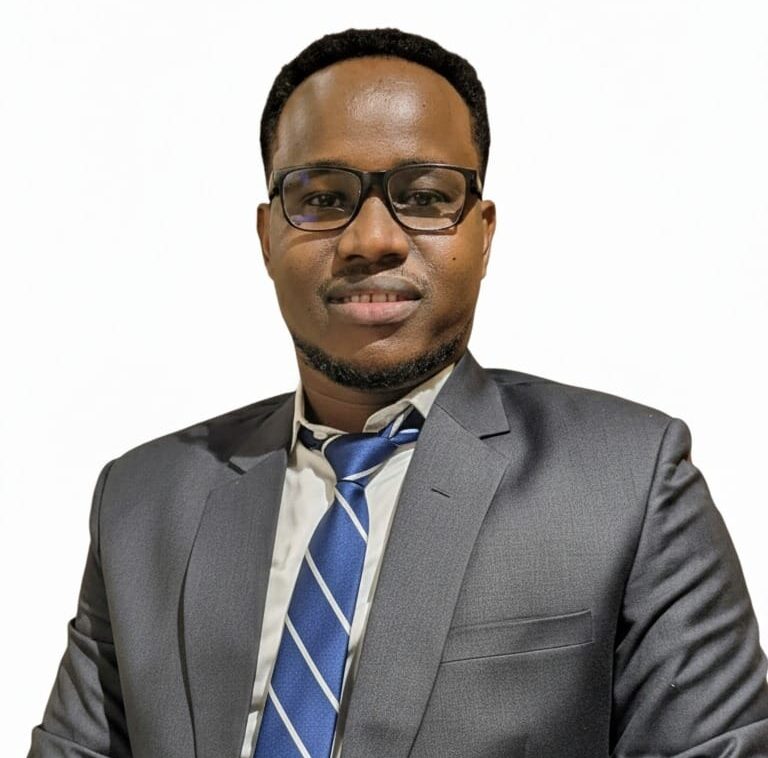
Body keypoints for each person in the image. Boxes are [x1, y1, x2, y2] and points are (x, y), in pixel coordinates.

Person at [29, 27, 768, 758]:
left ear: (483, 233)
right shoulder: (144, 502)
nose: (372, 239)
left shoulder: (629, 482)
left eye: (423, 196)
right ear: (266, 236)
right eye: (323, 197)